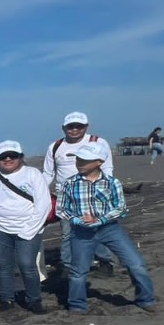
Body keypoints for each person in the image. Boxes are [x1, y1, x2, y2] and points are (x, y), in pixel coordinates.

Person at [59, 144, 156, 313]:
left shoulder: (112, 183)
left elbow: (121, 208)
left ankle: (145, 299)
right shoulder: (69, 183)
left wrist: (99, 219)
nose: (79, 162)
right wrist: (78, 220)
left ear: (99, 162)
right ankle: (77, 305)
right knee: (78, 272)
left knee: (136, 264)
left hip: (110, 229)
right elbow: (61, 209)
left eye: (84, 160)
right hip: (81, 232)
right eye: (78, 158)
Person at [0, 142, 51, 315]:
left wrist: (29, 230)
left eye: (13, 156)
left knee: (27, 264)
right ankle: (7, 299)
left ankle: (34, 300)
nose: (8, 159)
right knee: (3, 266)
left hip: (28, 229)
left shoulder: (33, 174)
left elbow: (43, 205)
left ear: (20, 157)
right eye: (3, 157)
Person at [42, 111, 116, 274]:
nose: (74, 129)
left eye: (79, 126)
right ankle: (67, 265)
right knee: (68, 233)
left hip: (92, 195)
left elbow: (107, 167)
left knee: (95, 229)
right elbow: (48, 173)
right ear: (63, 127)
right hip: (65, 197)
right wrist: (38, 191)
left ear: (86, 126)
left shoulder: (97, 142)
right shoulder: (55, 146)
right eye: (71, 126)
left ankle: (105, 262)